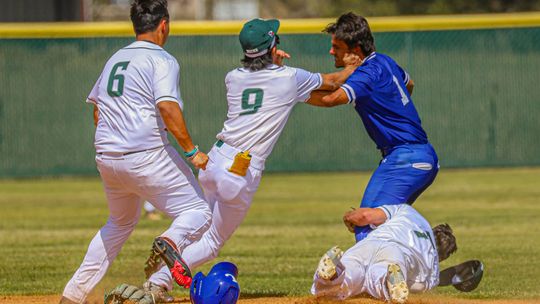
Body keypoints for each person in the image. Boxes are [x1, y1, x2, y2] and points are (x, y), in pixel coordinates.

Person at [142, 18, 361, 301]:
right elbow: (331, 82)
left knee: (201, 225)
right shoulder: (289, 77)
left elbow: (271, 89)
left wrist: (273, 62)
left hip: (215, 159)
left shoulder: (233, 76)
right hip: (240, 170)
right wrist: (357, 65)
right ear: (272, 46)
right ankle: (159, 282)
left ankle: (168, 249)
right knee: (211, 242)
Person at [59, 0, 211, 303]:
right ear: (164, 25)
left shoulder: (115, 58)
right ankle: (169, 240)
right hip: (146, 155)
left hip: (108, 157)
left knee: (119, 224)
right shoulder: (162, 60)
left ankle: (73, 295)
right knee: (199, 211)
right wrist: (192, 151)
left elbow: (98, 111)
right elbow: (167, 107)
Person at [308, 12, 439, 242]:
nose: (331, 51)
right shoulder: (385, 61)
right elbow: (409, 83)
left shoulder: (367, 74)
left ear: (355, 50)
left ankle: (424, 255)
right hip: (423, 156)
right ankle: (425, 252)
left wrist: (287, 92)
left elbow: (329, 99)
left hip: (404, 159)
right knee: (386, 225)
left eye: (336, 47)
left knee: (364, 224)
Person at [312, 205, 457, 303]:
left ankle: (336, 270)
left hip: (371, 242)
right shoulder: (433, 265)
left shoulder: (406, 210)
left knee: (351, 269)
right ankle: (387, 280)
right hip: (396, 255)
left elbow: (364, 216)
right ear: (442, 256)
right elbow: (419, 287)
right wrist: (405, 281)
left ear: (433, 230)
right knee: (377, 279)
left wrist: (348, 217)